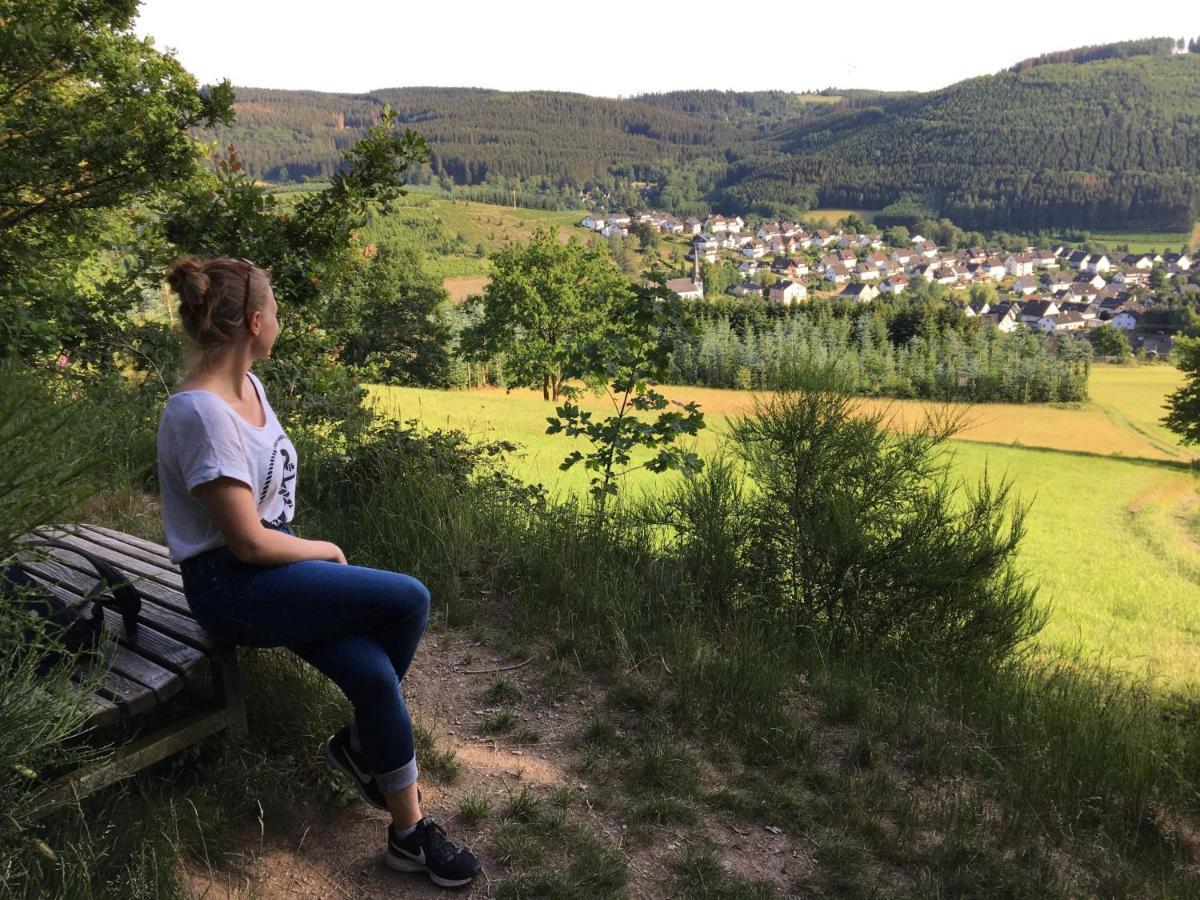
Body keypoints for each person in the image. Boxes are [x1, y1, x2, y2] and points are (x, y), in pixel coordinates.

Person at [156, 255, 479, 889]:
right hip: (232, 586)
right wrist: (324, 551)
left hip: (273, 572)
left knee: (375, 677)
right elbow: (246, 542)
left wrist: (297, 554)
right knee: (408, 599)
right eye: (275, 311)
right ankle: (361, 749)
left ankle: (406, 834)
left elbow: (265, 520)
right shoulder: (201, 414)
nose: (280, 320)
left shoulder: (250, 388)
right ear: (254, 321)